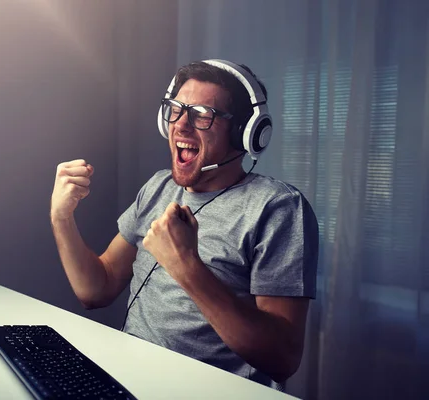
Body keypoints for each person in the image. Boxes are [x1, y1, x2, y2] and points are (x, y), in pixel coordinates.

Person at [50, 59, 318, 388]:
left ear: (244, 133)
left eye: (203, 114)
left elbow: (282, 358)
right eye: (175, 109)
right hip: (126, 381)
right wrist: (62, 218)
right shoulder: (158, 187)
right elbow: (96, 289)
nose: (181, 125)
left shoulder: (277, 208)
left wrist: (185, 265)